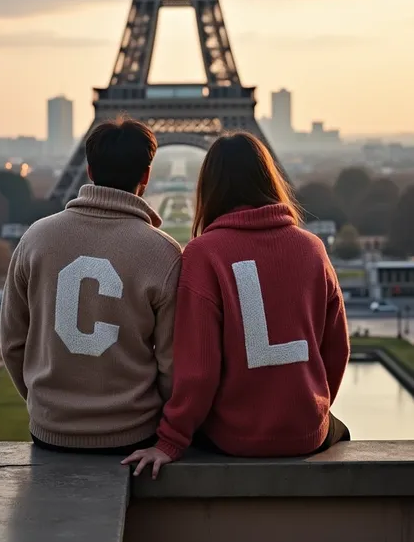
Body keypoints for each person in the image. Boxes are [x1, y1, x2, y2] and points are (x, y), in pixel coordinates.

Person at [123, 132, 350, 478]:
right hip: (306, 434)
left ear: (210, 186)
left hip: (235, 438)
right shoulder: (312, 248)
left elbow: (198, 372)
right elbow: (336, 350)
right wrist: (310, 408)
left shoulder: (204, 253)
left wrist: (170, 440)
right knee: (342, 432)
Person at [0, 119, 182, 454]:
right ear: (146, 175)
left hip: (50, 429)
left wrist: (47, 407)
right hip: (134, 432)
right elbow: (172, 364)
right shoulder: (164, 252)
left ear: (88, 170)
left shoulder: (36, 239)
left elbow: (12, 344)